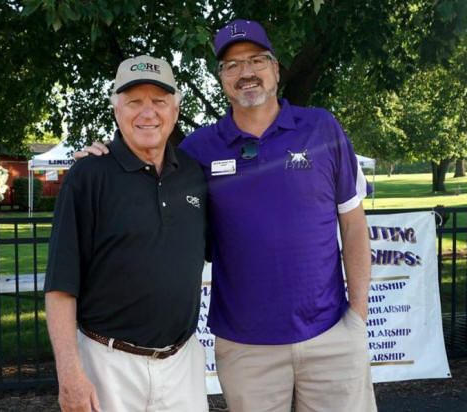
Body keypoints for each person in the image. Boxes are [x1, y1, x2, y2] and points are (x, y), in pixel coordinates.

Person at [79, 20, 377, 412]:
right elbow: (147, 167)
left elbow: (353, 224)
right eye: (232, 65)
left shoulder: (321, 127)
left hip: (331, 336)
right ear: (221, 78)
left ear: (276, 68)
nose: (246, 72)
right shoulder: (198, 150)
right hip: (246, 348)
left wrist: (357, 316)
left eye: (256, 60)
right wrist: (102, 157)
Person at [45, 55, 209, 412]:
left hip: (183, 364)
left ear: (176, 110)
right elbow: (60, 287)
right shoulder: (88, 177)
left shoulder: (194, 174)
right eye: (134, 101)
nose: (148, 113)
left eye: (159, 101)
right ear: (116, 109)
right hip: (107, 365)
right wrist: (70, 374)